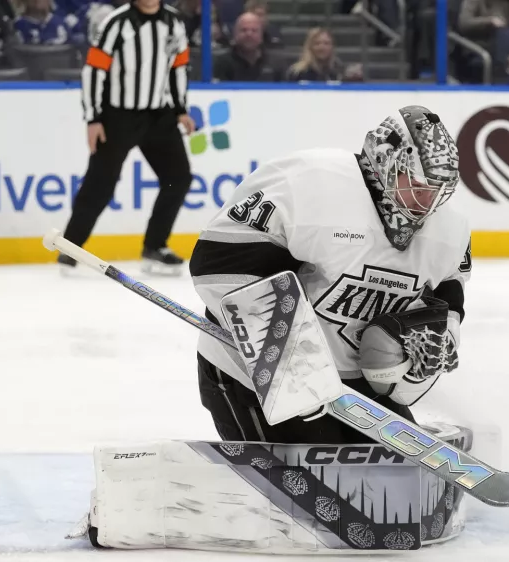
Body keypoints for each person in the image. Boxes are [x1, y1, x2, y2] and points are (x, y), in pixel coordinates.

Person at [189, 104, 471, 447]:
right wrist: (292, 368)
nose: (426, 203)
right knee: (306, 489)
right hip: (253, 376)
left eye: (437, 191)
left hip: (356, 388)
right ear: (385, 159)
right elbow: (219, 262)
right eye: (415, 184)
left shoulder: (449, 228)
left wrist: (435, 334)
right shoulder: (309, 184)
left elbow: (449, 288)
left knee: (393, 482)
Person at [59, 0, 195, 276]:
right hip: (118, 117)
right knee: (101, 182)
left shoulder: (174, 22)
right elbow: (94, 70)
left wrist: (180, 109)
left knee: (178, 177)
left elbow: (178, 67)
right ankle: (71, 247)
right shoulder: (116, 22)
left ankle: (155, 246)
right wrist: (93, 117)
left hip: (160, 115)